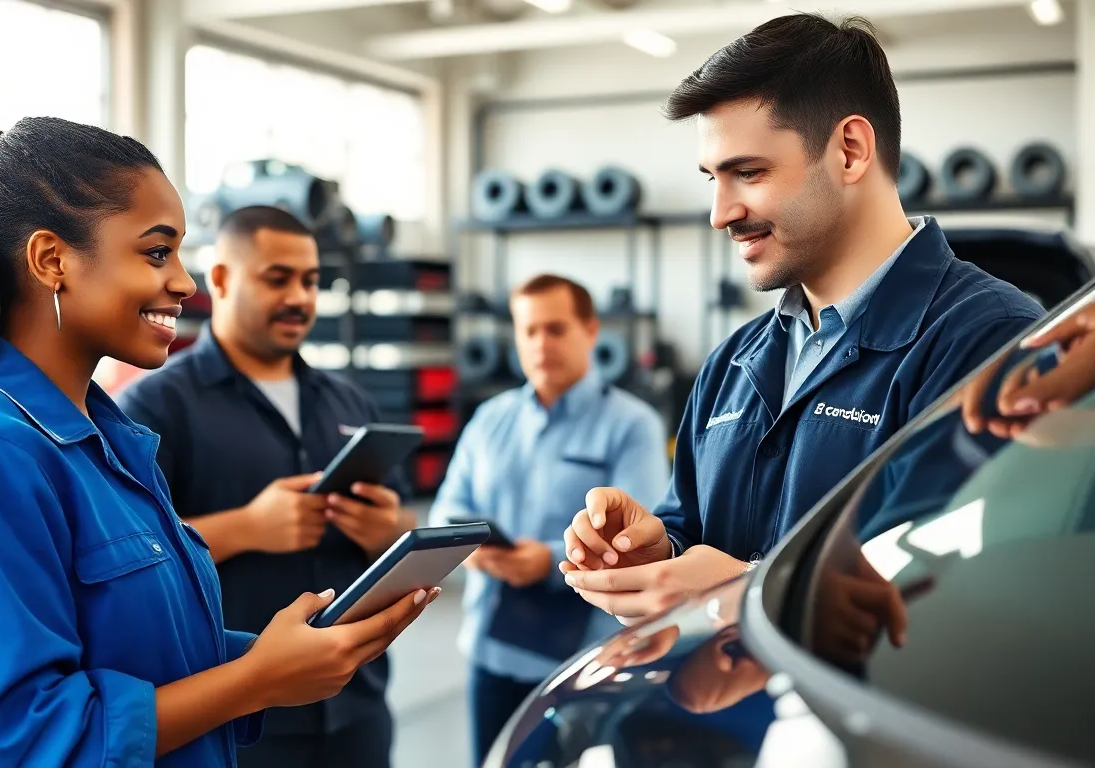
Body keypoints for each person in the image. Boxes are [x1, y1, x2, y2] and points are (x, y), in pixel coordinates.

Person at [0, 119, 434, 768]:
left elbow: (147, 653)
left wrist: (296, 649)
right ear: (52, 260)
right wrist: (257, 679)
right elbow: (27, 742)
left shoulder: (108, 444)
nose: (185, 283)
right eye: (157, 253)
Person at [558, 13, 1045, 623]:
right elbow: (699, 532)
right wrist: (658, 552)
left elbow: (983, 589)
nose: (720, 213)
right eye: (713, 178)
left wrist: (748, 590)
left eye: (749, 172)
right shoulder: (733, 364)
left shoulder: (991, 342)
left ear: (849, 151)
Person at [117, 204, 415, 768]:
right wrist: (247, 528)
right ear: (223, 279)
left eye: (310, 281)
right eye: (277, 279)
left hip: (357, 705)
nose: (300, 298)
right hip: (237, 716)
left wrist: (387, 530)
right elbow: (129, 557)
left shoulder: (349, 400)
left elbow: (399, 523)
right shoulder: (157, 405)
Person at [428, 274, 670, 766]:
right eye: (529, 331)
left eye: (556, 329)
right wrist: (471, 551)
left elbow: (640, 541)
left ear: (590, 331)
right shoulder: (489, 420)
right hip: (491, 652)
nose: (541, 344)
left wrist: (549, 561)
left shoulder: (631, 426)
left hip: (589, 661)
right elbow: (444, 512)